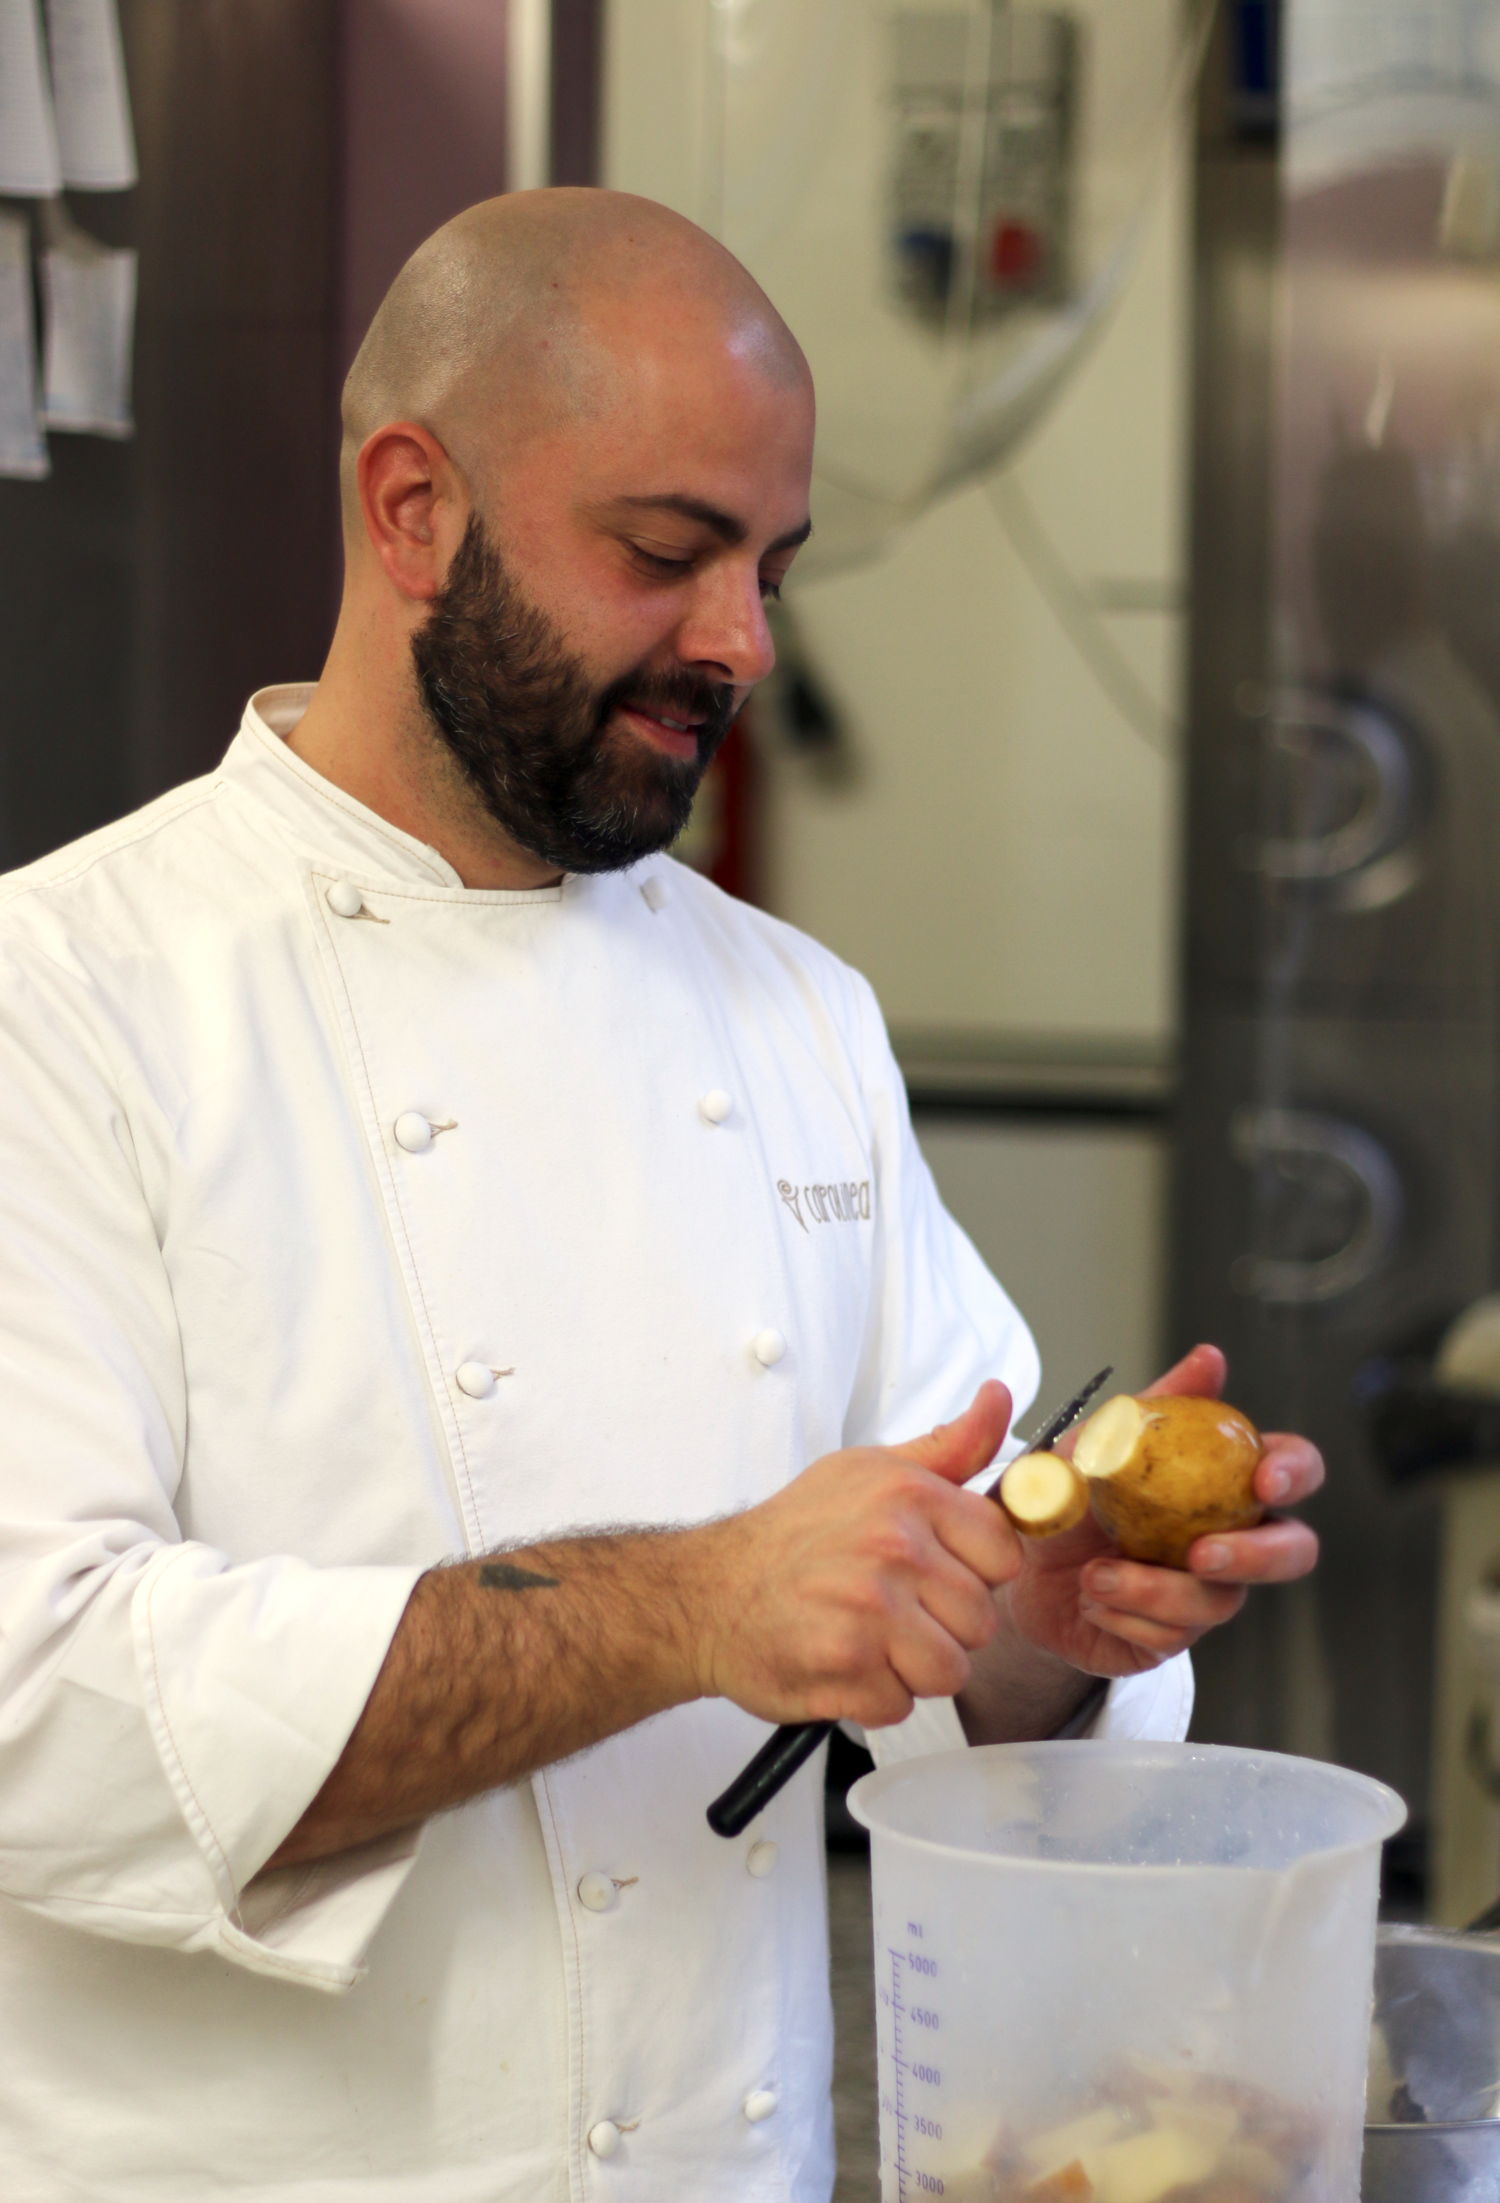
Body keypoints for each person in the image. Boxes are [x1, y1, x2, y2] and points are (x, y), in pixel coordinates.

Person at [0, 191, 1320, 2202]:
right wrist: (689, 1607)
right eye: (665, 550)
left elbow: (960, 1694)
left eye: (770, 566)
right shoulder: (68, 997)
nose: (743, 643)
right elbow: (41, 1706)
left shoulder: (792, 1011)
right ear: (413, 506)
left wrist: (1024, 1635)